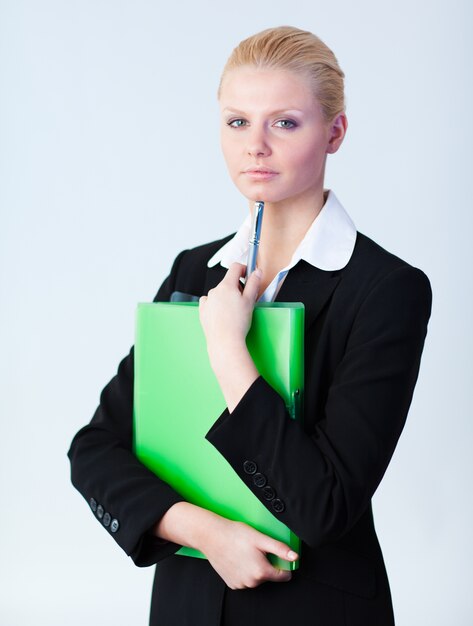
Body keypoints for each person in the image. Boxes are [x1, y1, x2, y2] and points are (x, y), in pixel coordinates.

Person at [68, 25, 432, 625]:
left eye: (284, 122)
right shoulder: (195, 268)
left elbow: (324, 505)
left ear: (335, 132)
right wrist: (205, 531)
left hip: (315, 609)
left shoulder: (386, 289)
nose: (255, 146)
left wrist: (228, 352)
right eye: (237, 122)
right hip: (187, 604)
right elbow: (95, 449)